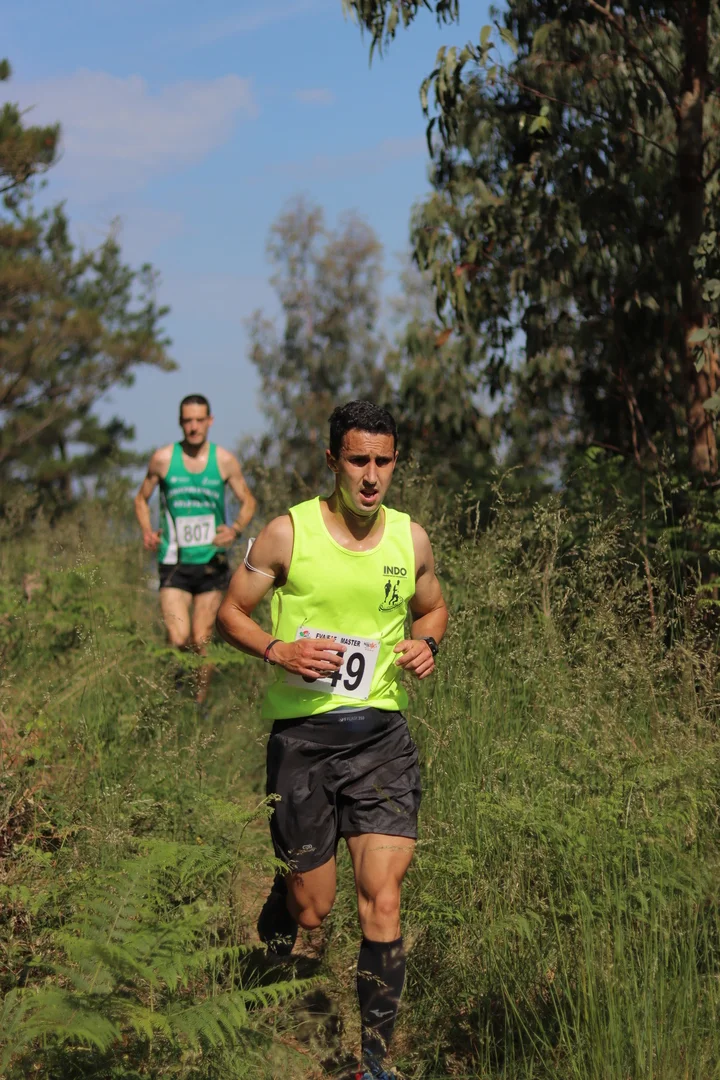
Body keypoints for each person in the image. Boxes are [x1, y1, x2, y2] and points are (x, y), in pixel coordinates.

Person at [216, 400, 448, 1080]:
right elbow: (231, 612)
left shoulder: (411, 539)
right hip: (304, 742)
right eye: (357, 461)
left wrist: (428, 643)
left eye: (383, 461)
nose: (371, 476)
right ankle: (285, 900)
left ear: (395, 463)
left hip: (381, 740)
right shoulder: (287, 534)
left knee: (383, 897)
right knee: (314, 910)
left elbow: (433, 607)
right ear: (332, 461)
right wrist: (278, 649)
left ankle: (372, 1062)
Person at [134, 394, 256, 702]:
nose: (193, 427)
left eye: (200, 420)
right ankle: (176, 693)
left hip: (211, 563)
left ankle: (197, 704)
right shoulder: (163, 459)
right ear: (180, 422)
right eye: (188, 421)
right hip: (173, 561)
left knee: (201, 640)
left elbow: (248, 501)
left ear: (210, 421)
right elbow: (141, 499)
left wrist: (235, 530)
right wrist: (147, 531)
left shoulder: (224, 461)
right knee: (178, 638)